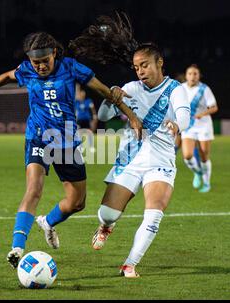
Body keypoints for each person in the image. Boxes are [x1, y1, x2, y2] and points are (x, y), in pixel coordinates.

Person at [0, 32, 143, 269]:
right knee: (34, 190)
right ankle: (17, 247)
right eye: (36, 62)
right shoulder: (26, 70)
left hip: (66, 141)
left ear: (54, 53)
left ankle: (47, 222)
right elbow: (6, 76)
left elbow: (104, 90)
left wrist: (132, 116)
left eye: (45, 60)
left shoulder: (71, 68)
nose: (41, 66)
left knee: (77, 202)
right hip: (38, 138)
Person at [71, 13, 190, 278]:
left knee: (154, 214)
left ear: (160, 63)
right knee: (107, 213)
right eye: (137, 67)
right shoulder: (131, 89)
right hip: (129, 159)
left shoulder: (175, 89)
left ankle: (129, 264)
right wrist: (110, 97)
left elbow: (184, 113)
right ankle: (105, 227)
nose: (140, 71)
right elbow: (103, 117)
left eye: (145, 65)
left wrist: (177, 124)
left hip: (160, 162)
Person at [181, 64, 218, 193]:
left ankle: (207, 183)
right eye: (190, 73)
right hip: (188, 126)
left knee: (204, 155)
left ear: (199, 76)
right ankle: (197, 172)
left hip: (203, 125)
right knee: (187, 155)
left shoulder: (204, 89)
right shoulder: (181, 88)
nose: (192, 76)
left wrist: (202, 114)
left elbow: (214, 107)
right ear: (186, 76)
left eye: (195, 74)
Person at [75, 84, 97, 152]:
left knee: (90, 133)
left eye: (83, 94)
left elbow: (92, 109)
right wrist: (77, 87)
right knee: (79, 133)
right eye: (81, 94)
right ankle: (81, 146)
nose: (82, 95)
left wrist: (94, 116)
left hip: (87, 119)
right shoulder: (77, 102)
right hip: (79, 120)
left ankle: (91, 146)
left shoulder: (88, 101)